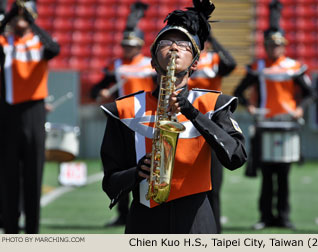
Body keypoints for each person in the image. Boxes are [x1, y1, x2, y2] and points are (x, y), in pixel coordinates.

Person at [100, 0, 247, 234]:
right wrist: (137, 172)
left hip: (196, 218)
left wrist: (192, 112)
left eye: (184, 45)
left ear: (195, 63)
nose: (175, 48)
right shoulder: (124, 110)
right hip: (144, 218)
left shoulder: (214, 105)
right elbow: (110, 183)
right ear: (152, 61)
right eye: (166, 43)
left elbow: (236, 157)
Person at [233, 0, 315, 230]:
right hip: (265, 123)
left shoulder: (293, 67)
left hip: (287, 124)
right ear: (265, 45)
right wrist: (249, 105)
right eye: (270, 44)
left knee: (284, 174)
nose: (273, 48)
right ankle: (265, 217)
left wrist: (300, 108)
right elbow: (239, 91)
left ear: (284, 46)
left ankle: (284, 217)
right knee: (267, 175)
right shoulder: (258, 66)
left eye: (277, 45)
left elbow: (311, 93)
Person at [90, 1, 156, 227]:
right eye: (125, 45)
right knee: (121, 166)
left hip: (145, 119)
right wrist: (101, 92)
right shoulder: (116, 65)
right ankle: (121, 212)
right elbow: (97, 88)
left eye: (132, 45)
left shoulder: (150, 65)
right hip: (122, 119)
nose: (127, 48)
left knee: (143, 164)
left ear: (139, 45)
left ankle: (143, 206)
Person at [0, 1, 60, 234]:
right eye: (17, 15)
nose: (19, 19)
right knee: (8, 175)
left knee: (34, 175)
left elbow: (54, 48)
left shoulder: (39, 41)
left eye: (24, 15)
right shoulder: (5, 42)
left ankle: (33, 232)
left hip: (34, 112)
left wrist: (31, 21)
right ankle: (11, 231)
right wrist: (10, 15)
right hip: (8, 115)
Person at [188, 35, 236, 233]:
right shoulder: (186, 59)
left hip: (213, 124)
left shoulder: (215, 58)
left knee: (214, 186)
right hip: (188, 125)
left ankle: (215, 231)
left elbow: (230, 63)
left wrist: (211, 37)